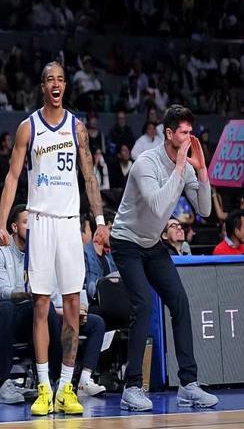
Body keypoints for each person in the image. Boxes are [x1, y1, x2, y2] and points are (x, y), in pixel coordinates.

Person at [0, 61, 108, 416]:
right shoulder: (28, 127)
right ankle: (44, 387)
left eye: (60, 79)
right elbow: (12, 177)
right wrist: (2, 222)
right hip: (41, 222)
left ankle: (66, 387)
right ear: (42, 87)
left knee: (73, 305)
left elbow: (89, 177)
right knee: (41, 306)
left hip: (69, 223)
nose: (56, 84)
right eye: (49, 79)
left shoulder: (77, 128)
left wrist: (100, 221)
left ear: (65, 87)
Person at [110, 104, 218, 411]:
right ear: (169, 134)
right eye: (183, 132)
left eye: (191, 132)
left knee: (180, 302)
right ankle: (132, 388)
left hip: (152, 244)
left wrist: (202, 171)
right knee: (143, 304)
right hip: (126, 242)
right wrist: (181, 168)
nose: (189, 138)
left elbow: (205, 210)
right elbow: (159, 206)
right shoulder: (146, 163)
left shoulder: (185, 166)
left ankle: (188, 385)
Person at [0, 205, 62, 404]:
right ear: (14, 227)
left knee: (47, 307)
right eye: (26, 222)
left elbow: (52, 289)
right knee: (8, 308)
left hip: (25, 315)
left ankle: (55, 379)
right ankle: (3, 384)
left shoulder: (38, 251)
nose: (31, 228)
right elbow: (2, 292)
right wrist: (28, 294)